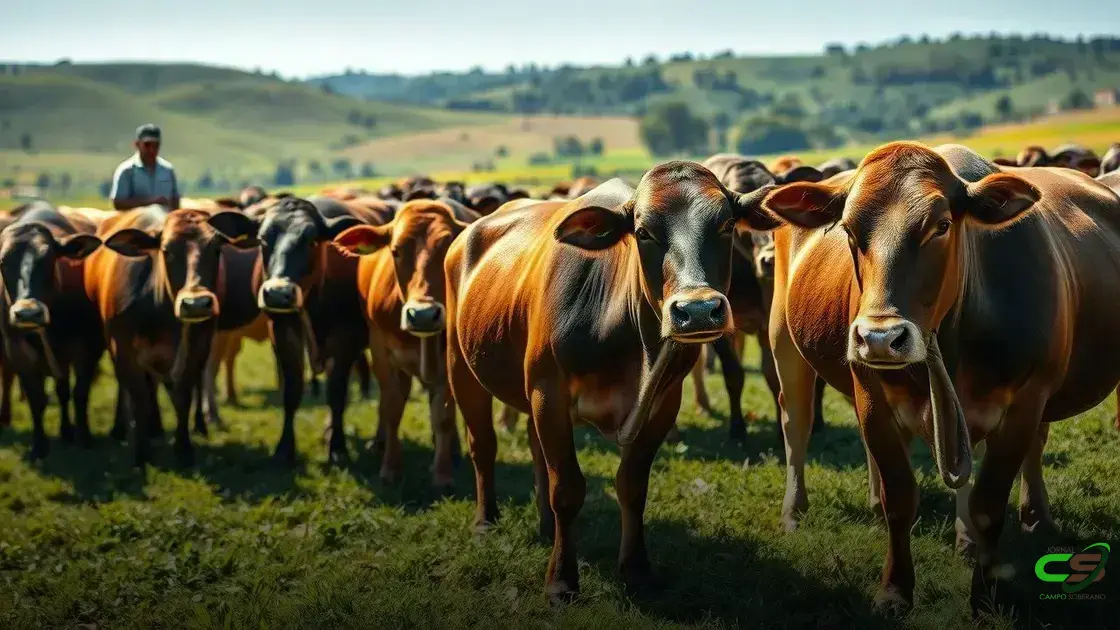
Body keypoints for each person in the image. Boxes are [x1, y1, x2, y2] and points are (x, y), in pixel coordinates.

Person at [109, 124, 180, 211]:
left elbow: (175, 200)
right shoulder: (127, 171)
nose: (152, 150)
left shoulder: (167, 170)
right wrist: (150, 203)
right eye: (147, 145)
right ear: (137, 144)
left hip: (164, 217)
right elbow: (118, 203)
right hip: (136, 218)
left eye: (155, 145)